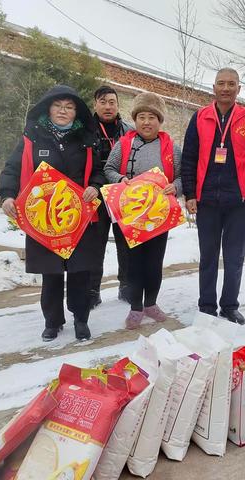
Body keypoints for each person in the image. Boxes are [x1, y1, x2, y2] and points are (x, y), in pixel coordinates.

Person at [0, 85, 104, 342]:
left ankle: (81, 318)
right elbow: (12, 168)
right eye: (58, 106)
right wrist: (7, 195)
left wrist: (94, 187)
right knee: (52, 272)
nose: (63, 111)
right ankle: (52, 321)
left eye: (69, 107)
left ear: (76, 113)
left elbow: (99, 171)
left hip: (76, 217)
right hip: (44, 217)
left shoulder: (87, 140)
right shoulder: (32, 138)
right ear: (48, 108)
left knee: (80, 271)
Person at [181, 67, 245, 325]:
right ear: (214, 88)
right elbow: (188, 158)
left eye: (231, 84)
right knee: (208, 257)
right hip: (207, 200)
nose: (226, 88)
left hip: (240, 202)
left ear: (239, 89)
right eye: (221, 83)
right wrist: (190, 194)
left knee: (234, 258)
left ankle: (230, 306)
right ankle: (206, 306)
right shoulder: (200, 118)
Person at [104, 92, 182, 329]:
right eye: (141, 117)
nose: (146, 122)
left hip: (158, 216)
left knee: (154, 262)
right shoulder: (124, 143)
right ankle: (136, 307)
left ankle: (151, 303)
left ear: (160, 121)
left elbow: (182, 177)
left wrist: (175, 186)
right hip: (131, 216)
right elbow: (108, 168)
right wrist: (120, 179)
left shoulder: (170, 147)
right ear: (135, 120)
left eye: (152, 117)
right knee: (134, 264)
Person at [90, 86, 133, 309]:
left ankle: (126, 287)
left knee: (125, 245)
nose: (108, 106)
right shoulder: (85, 130)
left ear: (118, 105)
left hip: (121, 196)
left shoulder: (128, 131)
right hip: (95, 196)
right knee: (94, 246)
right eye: (103, 102)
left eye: (112, 102)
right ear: (95, 104)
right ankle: (92, 292)